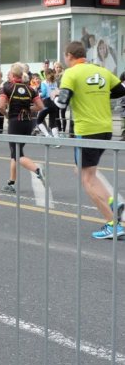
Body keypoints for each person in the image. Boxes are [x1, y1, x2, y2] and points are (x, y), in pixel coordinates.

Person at [55, 41, 125, 239]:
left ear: (69, 55)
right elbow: (120, 91)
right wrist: (97, 96)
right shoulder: (101, 70)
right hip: (105, 128)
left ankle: (113, 225)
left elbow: (61, 103)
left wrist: (54, 95)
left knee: (86, 179)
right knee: (84, 172)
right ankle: (113, 203)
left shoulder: (71, 73)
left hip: (86, 130)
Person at [0, 63, 45, 194]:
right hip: (28, 123)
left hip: (15, 122)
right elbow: (40, 106)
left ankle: (37, 170)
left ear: (12, 74)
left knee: (17, 154)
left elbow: (0, 106)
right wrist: (28, 109)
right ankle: (11, 183)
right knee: (15, 152)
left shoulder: (7, 87)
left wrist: (7, 114)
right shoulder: (30, 89)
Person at [36, 68, 61, 141]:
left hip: (46, 103)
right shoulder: (55, 82)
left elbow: (44, 93)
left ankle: (47, 135)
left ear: (45, 74)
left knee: (39, 120)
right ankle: (57, 140)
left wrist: (39, 94)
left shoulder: (44, 82)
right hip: (54, 103)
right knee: (53, 123)